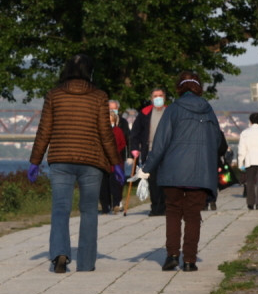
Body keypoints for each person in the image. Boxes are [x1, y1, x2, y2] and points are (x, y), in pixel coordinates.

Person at [28, 54, 122, 273]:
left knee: (60, 209)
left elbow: (44, 131)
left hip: (60, 159)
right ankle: (87, 262)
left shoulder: (54, 95)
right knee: (89, 210)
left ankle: (60, 254)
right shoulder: (99, 96)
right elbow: (105, 133)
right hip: (91, 160)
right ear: (90, 71)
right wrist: (115, 163)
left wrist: (35, 161)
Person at [140, 71, 223, 271]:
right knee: (193, 215)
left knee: (173, 212)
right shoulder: (208, 110)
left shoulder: (173, 109)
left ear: (180, 87)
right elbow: (219, 142)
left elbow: (160, 144)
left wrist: (146, 170)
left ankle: (172, 255)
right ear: (198, 87)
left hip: (173, 171)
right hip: (201, 172)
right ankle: (189, 260)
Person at [129, 87, 168, 216]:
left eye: (160, 95)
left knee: (167, 181)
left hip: (168, 152)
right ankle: (156, 208)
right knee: (154, 182)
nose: (158, 98)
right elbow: (135, 132)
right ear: (151, 99)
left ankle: (167, 207)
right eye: (155, 96)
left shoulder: (170, 112)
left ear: (164, 97)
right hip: (151, 151)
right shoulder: (145, 113)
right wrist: (134, 148)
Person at [99, 108, 127, 214]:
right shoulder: (101, 131)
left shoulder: (118, 131)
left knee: (115, 185)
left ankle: (116, 204)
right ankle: (105, 206)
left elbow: (122, 144)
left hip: (115, 162)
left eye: (111, 120)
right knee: (103, 187)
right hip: (103, 162)